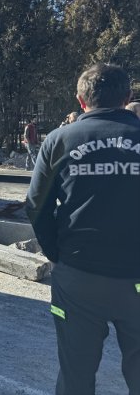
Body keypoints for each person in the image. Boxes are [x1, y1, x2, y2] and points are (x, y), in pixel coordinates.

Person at [26, 63, 140, 395]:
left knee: (76, 372)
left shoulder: (59, 140)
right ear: (128, 97)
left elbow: (36, 205)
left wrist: (57, 254)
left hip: (78, 277)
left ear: (80, 101)